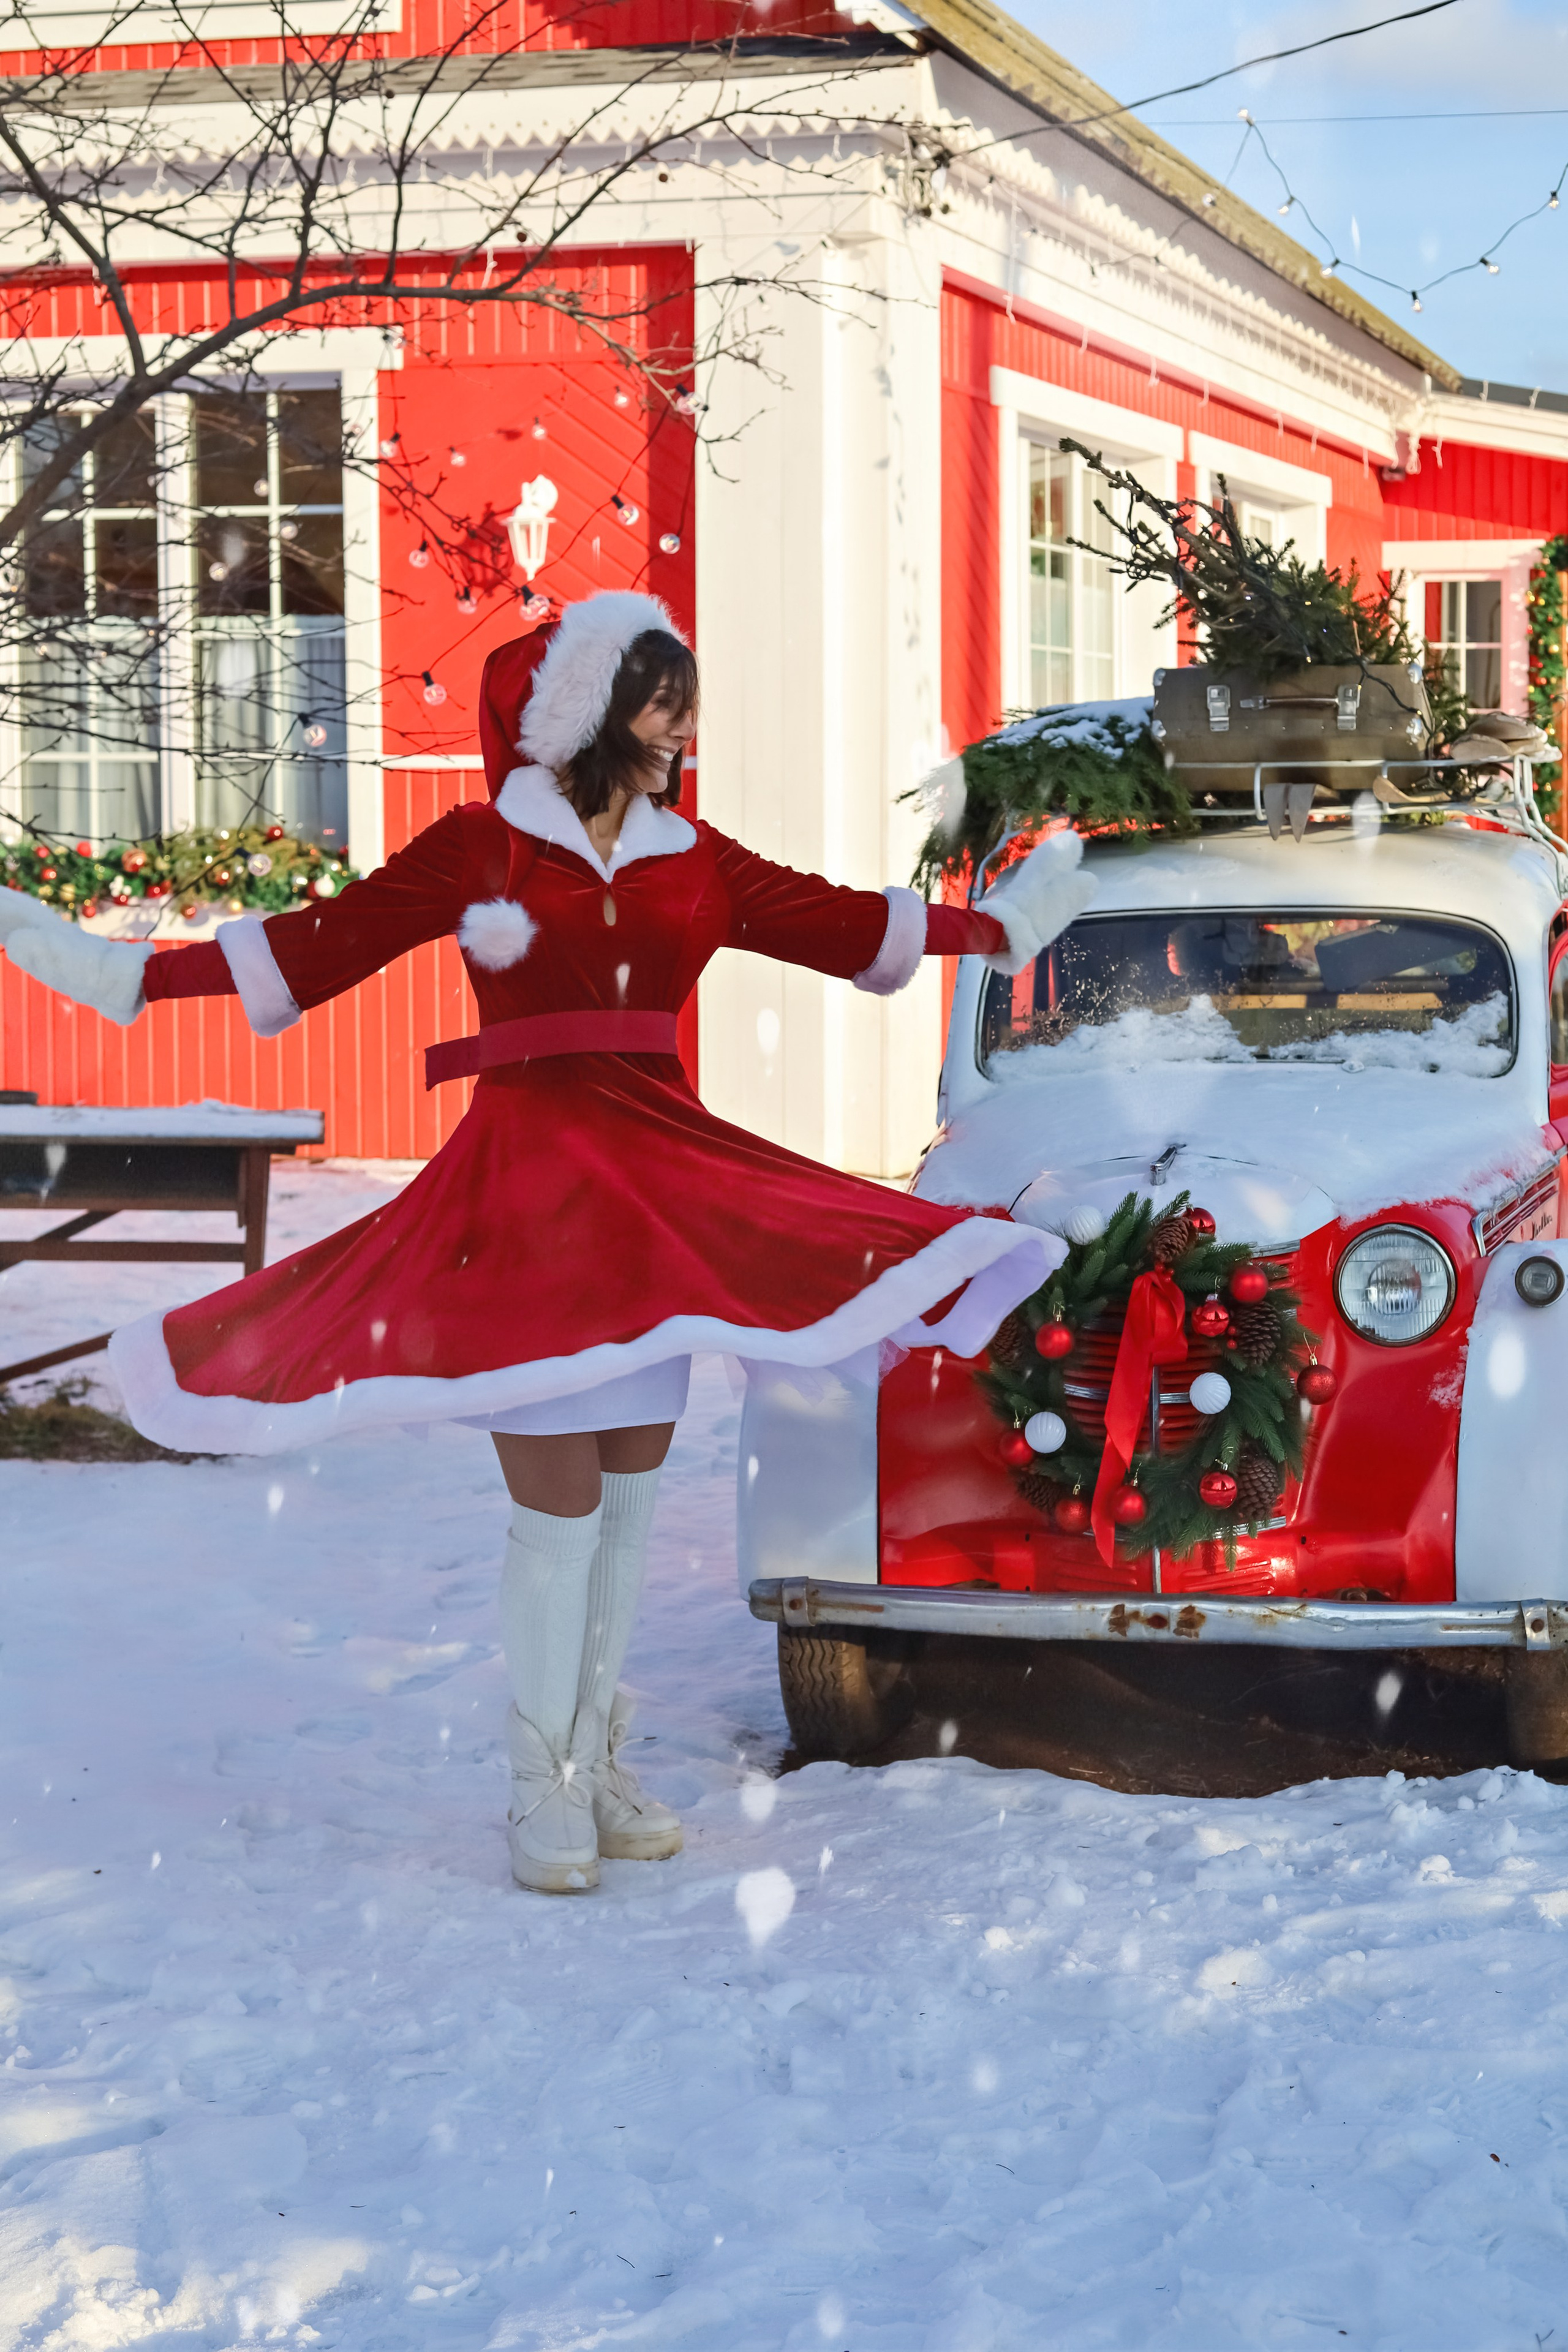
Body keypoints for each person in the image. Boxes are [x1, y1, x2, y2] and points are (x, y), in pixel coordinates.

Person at [0, 591, 1088, 1894]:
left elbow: (839, 924)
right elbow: (316, 943)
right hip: (526, 1200)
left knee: (624, 1509)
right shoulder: (483, 852)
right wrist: (123, 974)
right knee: (557, 1514)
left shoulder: (697, 858)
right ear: (584, 713)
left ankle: (593, 1757)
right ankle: (539, 1787)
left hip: (662, 1195)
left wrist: (1003, 928)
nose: (683, 723)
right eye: (659, 695)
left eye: (685, 696)